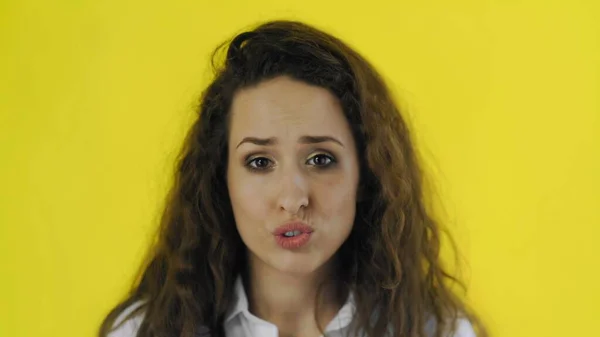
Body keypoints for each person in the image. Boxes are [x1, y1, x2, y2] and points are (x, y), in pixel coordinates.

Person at [99, 20, 486, 337]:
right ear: (221, 181)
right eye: (259, 162)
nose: (292, 197)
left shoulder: (440, 332)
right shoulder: (141, 331)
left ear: (367, 175)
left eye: (320, 159)